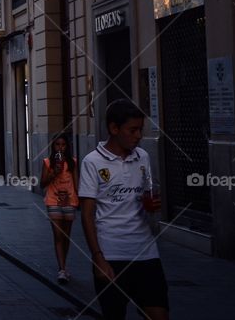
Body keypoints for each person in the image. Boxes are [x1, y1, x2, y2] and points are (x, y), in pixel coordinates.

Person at [79, 99, 169, 320]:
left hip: (146, 252)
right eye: (133, 130)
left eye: (141, 129)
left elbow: (148, 193)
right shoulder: (92, 162)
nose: (139, 135)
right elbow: (87, 214)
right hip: (111, 255)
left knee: (159, 314)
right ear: (114, 128)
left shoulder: (143, 157)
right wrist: (98, 258)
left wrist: (152, 207)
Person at [40, 132, 79, 284]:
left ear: (67, 147)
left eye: (63, 145)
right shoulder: (47, 162)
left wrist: (80, 200)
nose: (60, 148)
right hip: (53, 200)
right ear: (53, 146)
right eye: (57, 145)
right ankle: (61, 269)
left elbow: (76, 183)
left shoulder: (73, 162)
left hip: (69, 201)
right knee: (57, 235)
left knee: (66, 236)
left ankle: (64, 264)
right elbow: (42, 183)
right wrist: (53, 173)